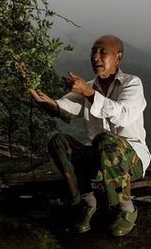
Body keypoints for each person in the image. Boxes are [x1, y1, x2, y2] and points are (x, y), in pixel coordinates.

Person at [28, 34, 150, 236]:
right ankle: (85, 201)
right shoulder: (89, 86)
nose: (96, 57)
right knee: (59, 141)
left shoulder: (132, 83)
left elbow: (123, 115)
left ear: (118, 57)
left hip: (131, 160)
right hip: (99, 159)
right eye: (93, 51)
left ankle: (124, 209)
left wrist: (89, 94)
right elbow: (62, 108)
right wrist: (42, 99)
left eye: (103, 52)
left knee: (105, 140)